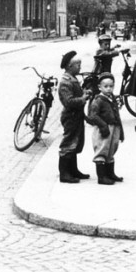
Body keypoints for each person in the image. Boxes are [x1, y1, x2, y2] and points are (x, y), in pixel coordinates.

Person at [57, 50, 91, 183]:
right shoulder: (65, 82)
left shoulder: (72, 78)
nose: (80, 67)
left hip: (76, 116)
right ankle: (64, 173)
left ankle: (73, 169)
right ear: (70, 66)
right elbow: (68, 102)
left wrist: (84, 93)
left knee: (75, 142)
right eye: (78, 65)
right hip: (70, 116)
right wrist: (83, 99)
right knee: (68, 143)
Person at [88, 72, 125, 185]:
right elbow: (93, 115)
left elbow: (116, 114)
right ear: (99, 87)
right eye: (106, 86)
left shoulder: (111, 98)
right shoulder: (98, 100)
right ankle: (101, 177)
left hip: (113, 127)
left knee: (111, 149)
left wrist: (121, 132)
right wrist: (103, 126)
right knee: (102, 149)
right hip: (103, 129)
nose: (109, 89)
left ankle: (110, 173)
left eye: (111, 86)